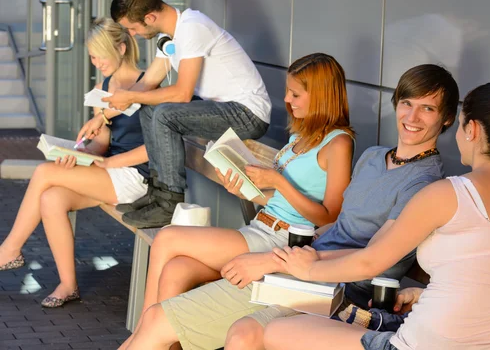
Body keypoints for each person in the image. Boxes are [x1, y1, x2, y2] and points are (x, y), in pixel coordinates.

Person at [119, 64, 460, 350]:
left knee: (240, 334)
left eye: (427, 109)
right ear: (396, 104)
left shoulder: (425, 184)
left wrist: (272, 258)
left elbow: (371, 258)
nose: (412, 116)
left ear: (447, 120)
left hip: (338, 290)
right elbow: (335, 225)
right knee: (161, 318)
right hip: (300, 268)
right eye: (407, 103)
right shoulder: (373, 157)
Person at [264, 82, 490, 350]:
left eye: (459, 125)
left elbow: (372, 261)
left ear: (472, 130)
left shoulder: (449, 193)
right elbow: (486, 274)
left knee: (276, 332)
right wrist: (425, 295)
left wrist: (308, 271)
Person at [119, 52, 355, 349]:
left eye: (295, 94)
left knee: (167, 239)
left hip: (283, 243)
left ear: (321, 95)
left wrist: (278, 180)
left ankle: (139, 335)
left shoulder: (339, 143)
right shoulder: (301, 135)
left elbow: (331, 216)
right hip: (259, 229)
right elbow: (281, 197)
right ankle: (157, 339)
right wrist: (245, 188)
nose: (287, 100)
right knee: (176, 268)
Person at [77, 0, 272, 228]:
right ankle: (157, 192)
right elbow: (147, 83)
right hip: (222, 109)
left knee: (164, 114)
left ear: (149, 17)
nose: (133, 34)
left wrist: (131, 98)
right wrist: (102, 116)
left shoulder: (192, 28)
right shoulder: (171, 35)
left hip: (247, 113)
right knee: (150, 109)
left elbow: (181, 93)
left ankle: (169, 202)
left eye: (133, 28)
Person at [0, 18, 150, 308]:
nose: (96, 63)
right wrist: (79, 154)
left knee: (45, 172)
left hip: (136, 176)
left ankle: (9, 250)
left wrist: (99, 161)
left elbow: (155, 147)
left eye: (100, 55)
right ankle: (68, 285)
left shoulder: (147, 85)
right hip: (110, 171)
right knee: (51, 198)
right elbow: (102, 143)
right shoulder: (102, 87)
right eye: (91, 56)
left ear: (121, 48)